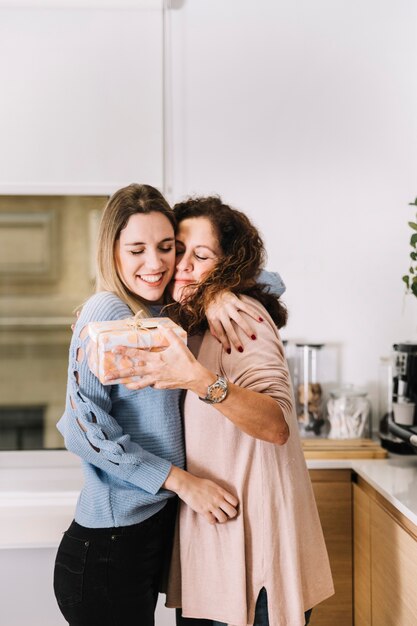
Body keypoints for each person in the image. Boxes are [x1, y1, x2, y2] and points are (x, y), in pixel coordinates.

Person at [53, 183, 271, 626]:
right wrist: (183, 483)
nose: (155, 263)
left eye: (166, 247)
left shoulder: (163, 310)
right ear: (111, 251)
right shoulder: (105, 312)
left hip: (147, 537)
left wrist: (218, 291)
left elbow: (272, 282)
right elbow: (81, 429)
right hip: (108, 547)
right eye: (136, 250)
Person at [117, 196, 334, 626]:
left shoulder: (240, 318)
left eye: (201, 256)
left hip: (254, 562)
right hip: (214, 558)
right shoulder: (191, 321)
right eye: (178, 250)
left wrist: (199, 379)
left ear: (227, 265)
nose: (182, 265)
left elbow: (276, 424)